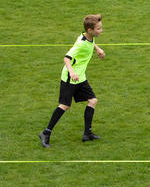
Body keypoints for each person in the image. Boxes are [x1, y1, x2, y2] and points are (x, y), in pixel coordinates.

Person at [39, 13, 106, 147]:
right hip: (71, 79)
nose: (101, 30)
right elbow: (66, 58)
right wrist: (71, 72)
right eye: (98, 29)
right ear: (90, 30)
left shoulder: (87, 37)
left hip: (80, 77)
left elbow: (90, 43)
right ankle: (46, 132)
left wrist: (98, 49)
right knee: (65, 105)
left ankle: (87, 133)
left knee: (93, 101)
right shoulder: (80, 44)